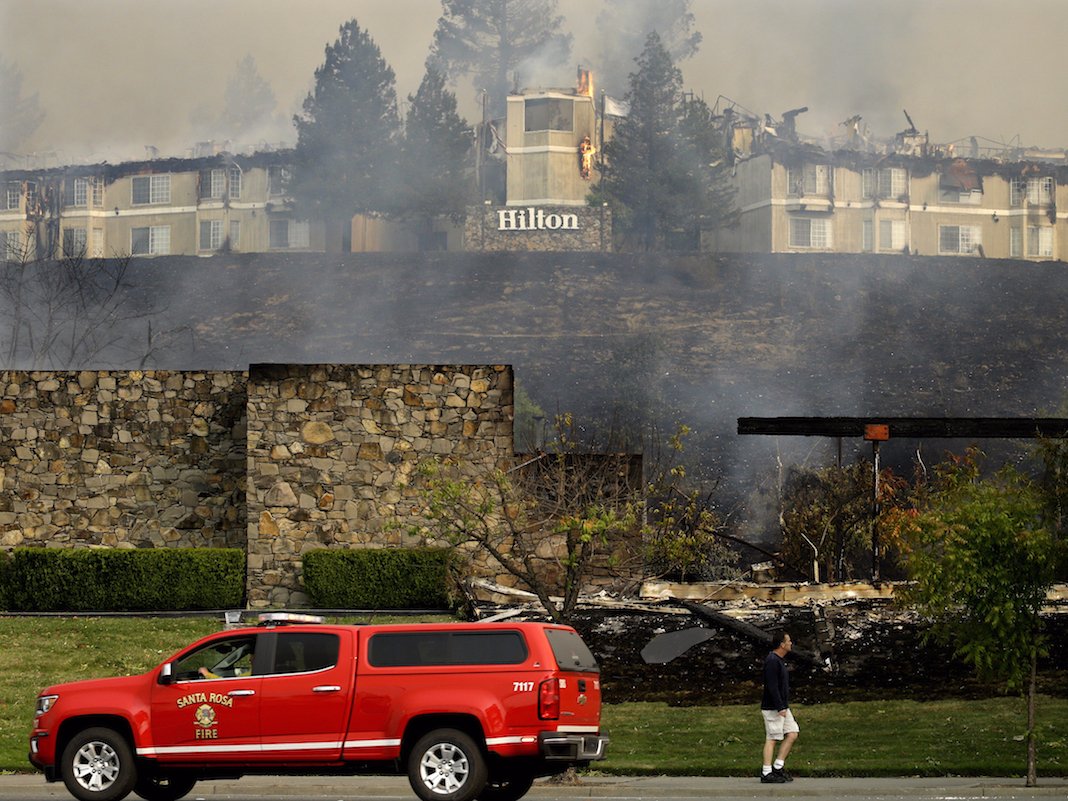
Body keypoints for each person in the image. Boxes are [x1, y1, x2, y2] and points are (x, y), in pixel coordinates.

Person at [760, 631, 798, 783]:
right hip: (773, 707)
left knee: (793, 732)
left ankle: (778, 766)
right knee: (772, 738)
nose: (790, 643)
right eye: (788, 641)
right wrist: (779, 706)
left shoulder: (779, 660)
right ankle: (766, 772)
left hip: (782, 706)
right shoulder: (772, 661)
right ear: (782, 644)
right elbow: (772, 686)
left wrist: (783, 706)